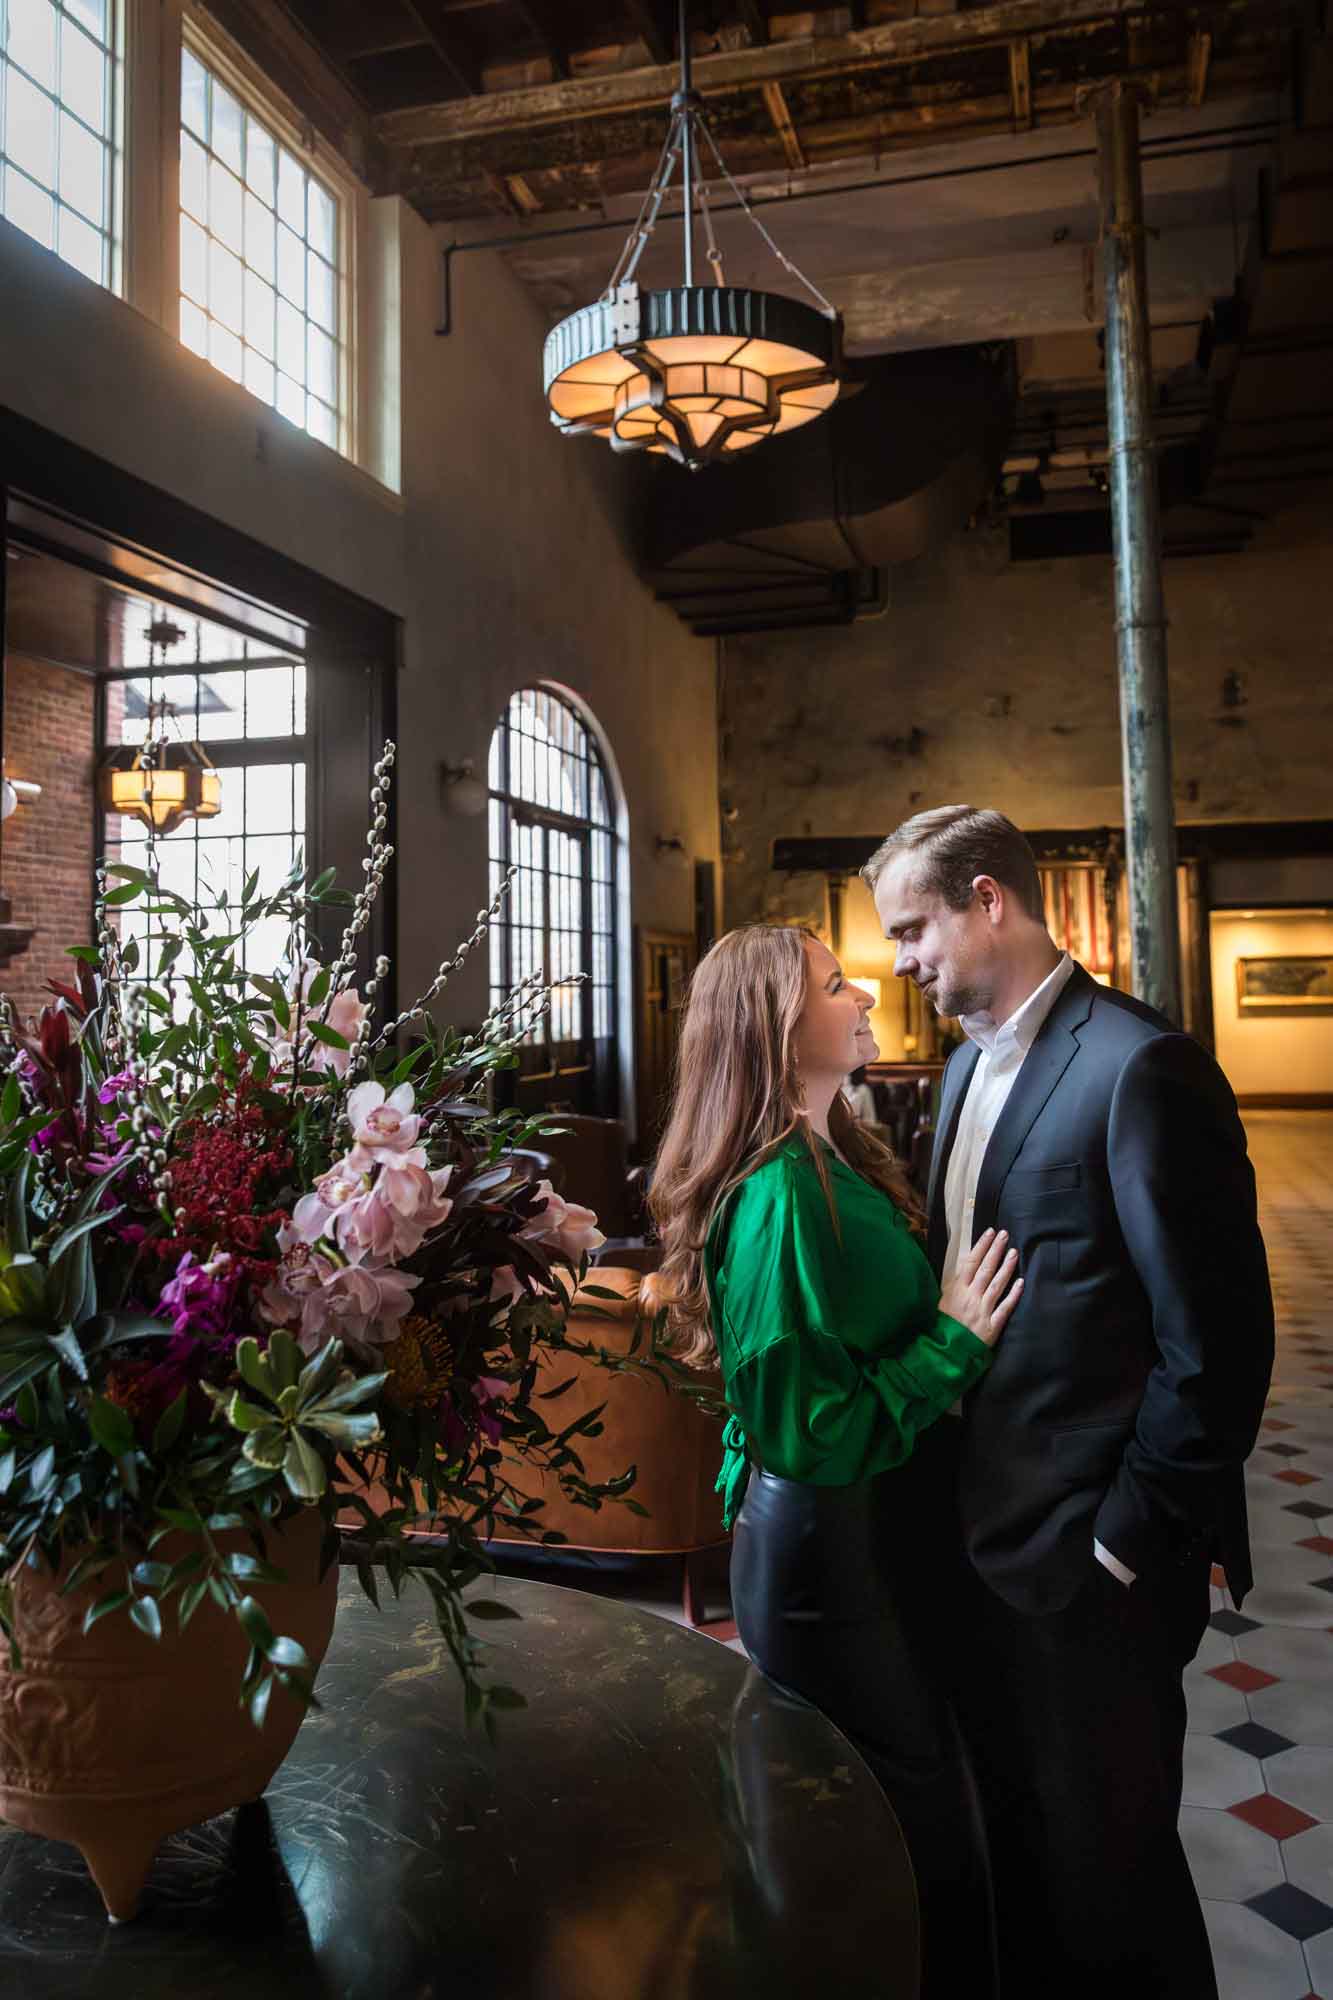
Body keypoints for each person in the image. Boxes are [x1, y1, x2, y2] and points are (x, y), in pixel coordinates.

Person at [865, 804, 1275, 2000]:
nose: (899, 960)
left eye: (912, 928)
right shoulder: (955, 1067)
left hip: (1091, 1568)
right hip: (977, 1543)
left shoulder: (1138, 1064)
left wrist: (1120, 1541)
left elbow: (1216, 1347)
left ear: (989, 897)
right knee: (1026, 1864)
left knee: (1116, 1884)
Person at [648, 922, 1024, 1999]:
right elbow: (800, 1430)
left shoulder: (833, 1151)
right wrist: (952, 1339)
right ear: (775, 1026)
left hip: (864, 1532)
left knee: (903, 1806)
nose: (864, 991)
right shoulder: (775, 1195)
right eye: (833, 982)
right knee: (901, 1824)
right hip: (824, 1557)